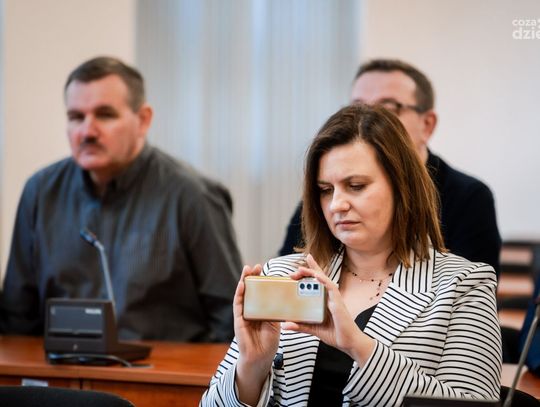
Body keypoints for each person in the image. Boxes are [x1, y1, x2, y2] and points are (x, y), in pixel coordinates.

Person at [201, 104, 501, 406]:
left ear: (403, 187)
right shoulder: (281, 276)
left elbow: (471, 402)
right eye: (325, 190)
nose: (336, 205)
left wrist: (360, 347)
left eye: (355, 186)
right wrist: (251, 367)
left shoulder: (464, 285)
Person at [0, 56, 242, 342]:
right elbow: (17, 317)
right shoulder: (40, 192)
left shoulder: (193, 196)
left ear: (143, 120)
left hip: (162, 369)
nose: (87, 131)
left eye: (105, 115)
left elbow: (230, 320)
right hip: (60, 367)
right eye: (76, 117)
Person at [279, 59, 501, 276]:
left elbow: (467, 285)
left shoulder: (468, 196)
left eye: (388, 108)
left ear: (427, 124)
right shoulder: (331, 190)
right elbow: (292, 270)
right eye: (358, 107)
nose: (370, 119)